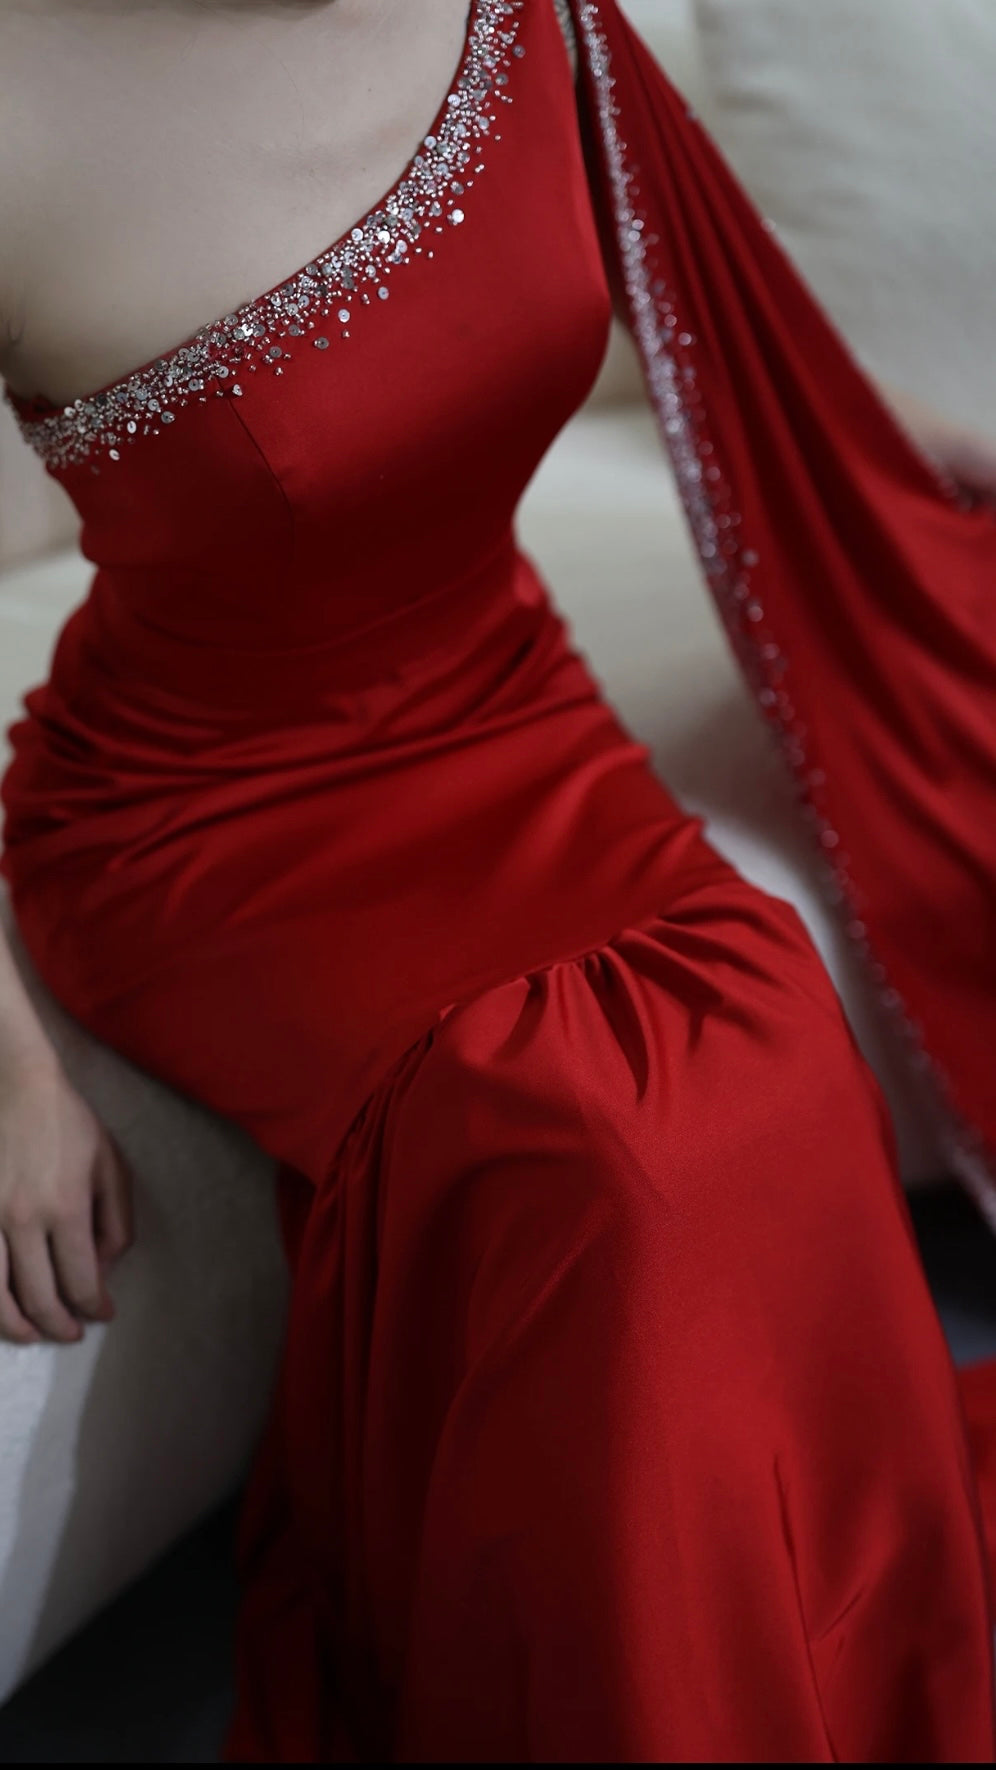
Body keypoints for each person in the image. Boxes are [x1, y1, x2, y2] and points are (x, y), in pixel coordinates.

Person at [1, 1, 995, 1759]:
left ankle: (803, 1653)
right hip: (208, 814)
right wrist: (8, 1056)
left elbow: (689, 299)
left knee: (759, 1027)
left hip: (501, 693)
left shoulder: (519, 6)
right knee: (600, 1137)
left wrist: (894, 448)